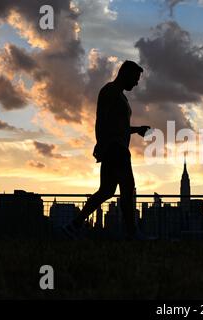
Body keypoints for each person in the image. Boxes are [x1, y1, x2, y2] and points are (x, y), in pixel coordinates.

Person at [63, 60, 150, 240]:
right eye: (135, 78)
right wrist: (102, 144)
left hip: (114, 146)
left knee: (107, 191)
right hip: (115, 148)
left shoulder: (120, 96)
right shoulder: (110, 91)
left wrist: (136, 130)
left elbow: (118, 125)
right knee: (127, 188)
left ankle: (73, 225)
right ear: (125, 73)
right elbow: (102, 121)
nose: (136, 83)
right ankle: (133, 233)